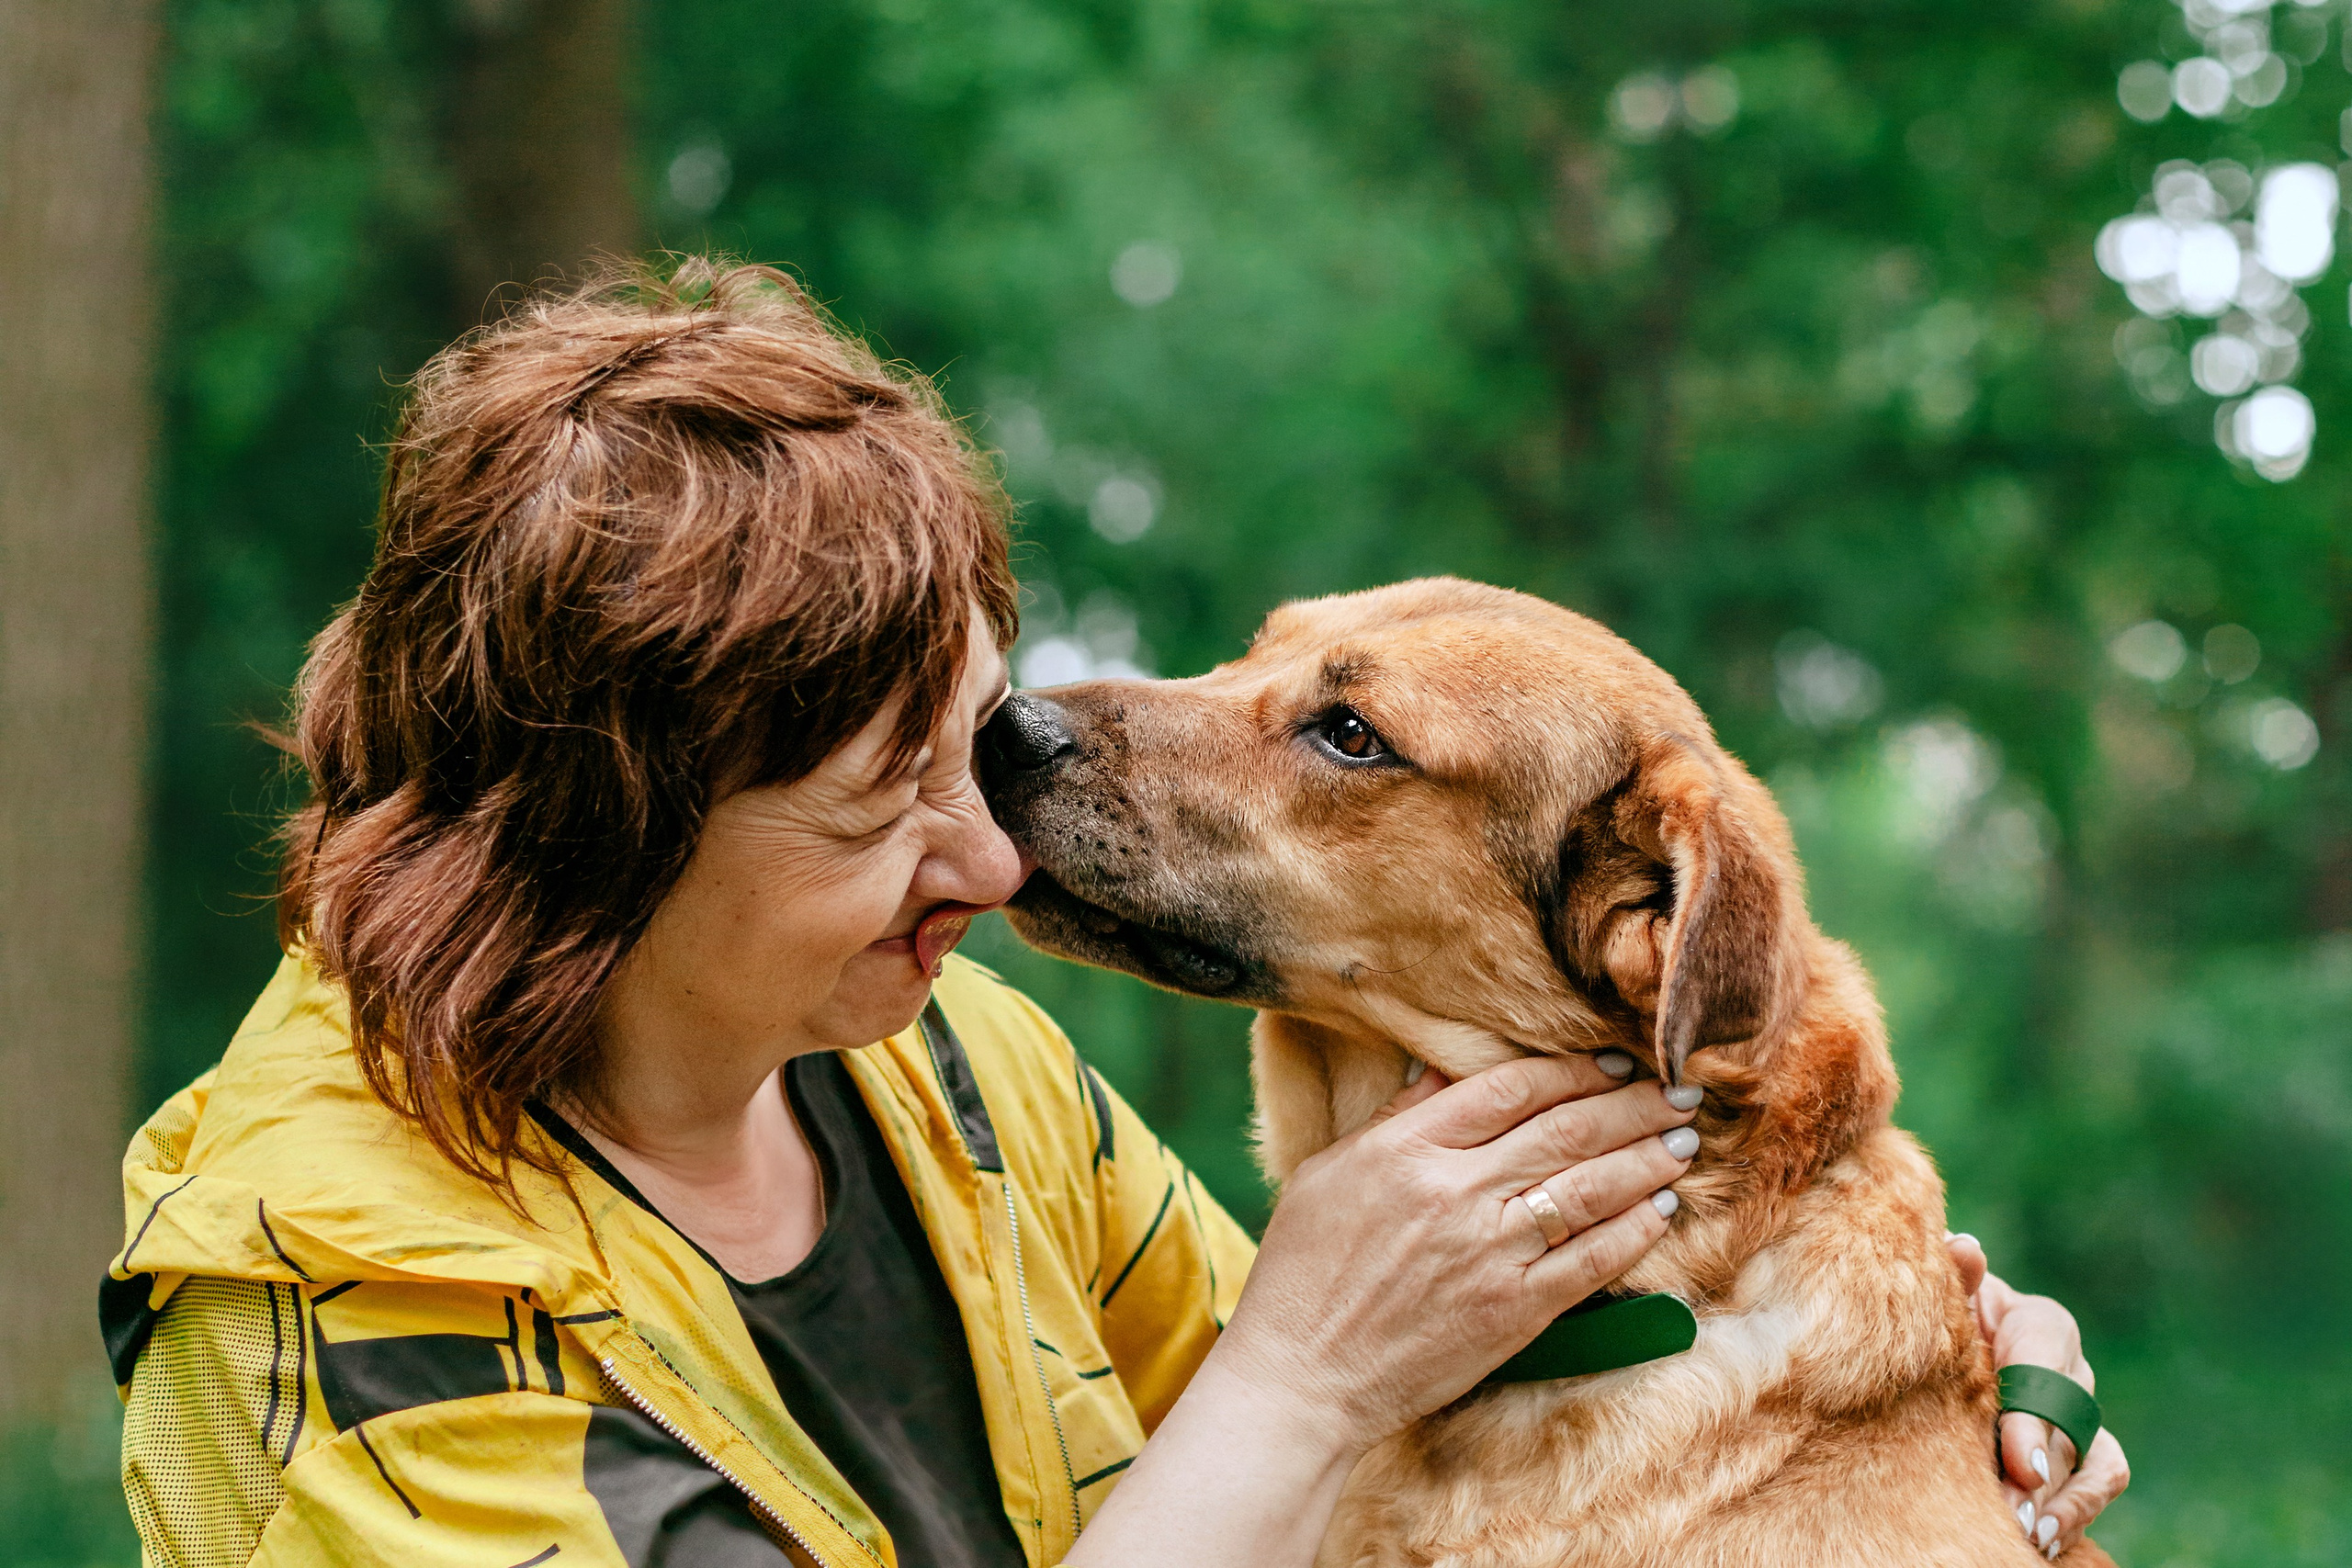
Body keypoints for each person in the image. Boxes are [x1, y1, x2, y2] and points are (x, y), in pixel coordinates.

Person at [104, 261, 2127, 1568]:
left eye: (967, 748)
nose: (991, 867)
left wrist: (1922, 1408)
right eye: (877, 807)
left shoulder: (942, 1065)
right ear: (601, 828)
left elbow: (1336, 1450)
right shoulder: (345, 1305)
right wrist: (1303, 1382)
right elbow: (1285, 1401)